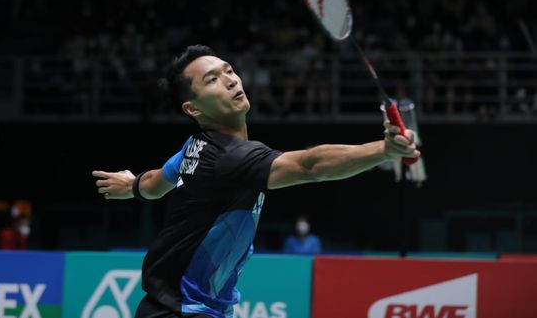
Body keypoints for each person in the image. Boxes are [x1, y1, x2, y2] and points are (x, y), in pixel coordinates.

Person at [92, 44, 419, 318]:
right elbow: (309, 166)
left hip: (184, 308)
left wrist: (133, 186)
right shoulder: (229, 157)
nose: (231, 80)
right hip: (178, 311)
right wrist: (384, 150)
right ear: (193, 108)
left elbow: (155, 184)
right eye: (212, 80)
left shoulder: (195, 147)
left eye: (228, 70)